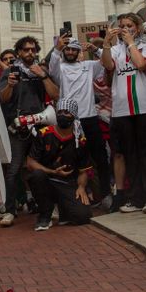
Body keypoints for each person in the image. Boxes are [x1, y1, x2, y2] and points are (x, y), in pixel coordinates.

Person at [102, 13, 146, 213]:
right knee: (130, 154)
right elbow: (108, 66)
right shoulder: (116, 49)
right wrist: (106, 44)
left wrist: (130, 43)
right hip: (121, 109)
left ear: (138, 27)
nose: (125, 29)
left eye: (129, 25)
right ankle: (135, 197)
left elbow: (141, 64)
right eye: (122, 26)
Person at [45, 35, 109, 203]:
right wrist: (57, 48)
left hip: (90, 119)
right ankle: (75, 197)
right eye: (68, 49)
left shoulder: (88, 66)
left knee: (100, 158)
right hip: (70, 121)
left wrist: (95, 49)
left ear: (79, 51)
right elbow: (51, 69)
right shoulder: (60, 68)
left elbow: (107, 60)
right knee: (72, 159)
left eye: (74, 49)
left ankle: (105, 194)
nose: (71, 52)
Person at [0, 36, 50, 226]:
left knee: (41, 168)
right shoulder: (11, 71)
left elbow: (55, 94)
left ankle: (46, 207)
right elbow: (2, 99)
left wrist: (42, 76)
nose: (30, 53)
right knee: (14, 170)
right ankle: (10, 210)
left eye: (33, 50)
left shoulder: (41, 70)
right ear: (18, 52)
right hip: (18, 127)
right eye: (26, 50)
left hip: (40, 124)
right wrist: (10, 85)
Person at [24, 98, 93, 231]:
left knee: (83, 216)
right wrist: (52, 172)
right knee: (37, 175)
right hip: (47, 180)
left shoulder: (80, 139)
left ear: (73, 115)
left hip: (67, 183)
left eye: (66, 112)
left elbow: (84, 170)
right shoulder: (44, 133)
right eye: (59, 112)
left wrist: (81, 187)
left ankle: (63, 209)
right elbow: (30, 162)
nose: (62, 115)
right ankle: (45, 215)